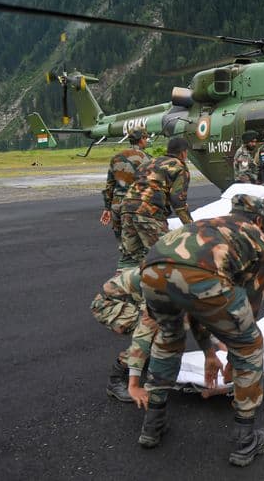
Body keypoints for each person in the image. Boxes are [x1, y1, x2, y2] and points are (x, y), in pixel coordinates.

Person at [137, 194, 264, 466]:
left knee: (168, 338)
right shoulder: (258, 239)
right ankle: (245, 441)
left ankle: (152, 425)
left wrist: (209, 349)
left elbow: (195, 308)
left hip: (151, 269)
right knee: (250, 345)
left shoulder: (207, 224)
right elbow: (249, 308)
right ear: (259, 219)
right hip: (200, 274)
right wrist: (236, 358)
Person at [118, 137, 193, 268]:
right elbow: (178, 201)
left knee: (130, 258)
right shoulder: (179, 167)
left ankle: (119, 287)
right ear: (183, 153)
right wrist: (192, 227)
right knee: (166, 254)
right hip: (148, 212)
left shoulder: (149, 162)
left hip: (126, 209)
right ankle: (163, 286)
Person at [90, 267, 158, 402]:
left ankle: (142, 361)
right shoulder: (159, 283)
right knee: (154, 332)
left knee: (166, 324)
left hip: (129, 301)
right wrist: (134, 384)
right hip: (107, 306)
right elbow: (144, 334)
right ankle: (115, 379)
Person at [100, 127, 150, 244]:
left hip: (116, 206)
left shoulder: (116, 158)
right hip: (135, 206)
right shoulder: (146, 159)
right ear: (141, 139)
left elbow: (109, 185)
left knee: (123, 245)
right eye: (146, 138)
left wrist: (107, 208)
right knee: (138, 246)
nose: (146, 140)